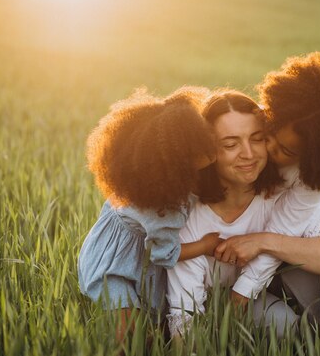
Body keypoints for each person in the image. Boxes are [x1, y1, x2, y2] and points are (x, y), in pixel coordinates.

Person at [165, 90, 320, 337]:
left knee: (293, 318)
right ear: (208, 152)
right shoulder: (188, 211)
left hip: (284, 293)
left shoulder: (286, 191)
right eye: (230, 144)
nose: (248, 153)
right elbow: (184, 309)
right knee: (282, 325)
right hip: (224, 299)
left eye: (257, 139)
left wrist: (263, 242)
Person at [218, 52, 320, 335]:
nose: (270, 150)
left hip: (290, 261)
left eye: (287, 151)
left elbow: (284, 232)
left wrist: (243, 290)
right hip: (238, 264)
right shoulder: (249, 129)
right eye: (268, 136)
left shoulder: (311, 176)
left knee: (318, 320)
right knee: (279, 325)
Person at [78, 86, 221, 342]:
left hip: (118, 251)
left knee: (147, 324)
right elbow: (166, 254)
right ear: (176, 160)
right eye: (200, 149)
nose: (212, 151)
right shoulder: (162, 206)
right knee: (128, 334)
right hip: (112, 267)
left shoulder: (139, 180)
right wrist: (205, 245)